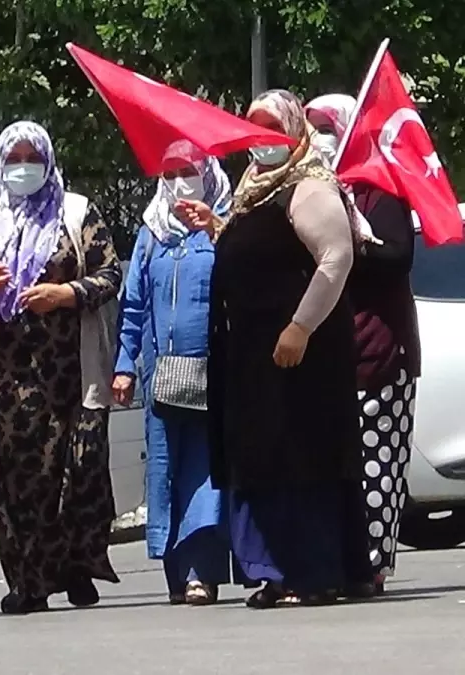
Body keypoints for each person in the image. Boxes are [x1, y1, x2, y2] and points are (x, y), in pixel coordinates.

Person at [175, 89, 369, 608]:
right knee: (262, 459)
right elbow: (257, 255)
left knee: (302, 458)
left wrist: (300, 327)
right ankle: (275, 572)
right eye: (255, 132)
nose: (264, 145)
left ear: (295, 133)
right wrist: (217, 228)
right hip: (253, 358)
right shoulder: (255, 189)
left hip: (301, 355)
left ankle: (315, 571)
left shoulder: (309, 187)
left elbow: (335, 259)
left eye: (273, 132)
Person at [0, 120, 122, 615]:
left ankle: (74, 568)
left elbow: (111, 272)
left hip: (65, 373)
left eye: (32, 158)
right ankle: (25, 580)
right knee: (11, 478)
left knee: (73, 471)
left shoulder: (76, 212)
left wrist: (65, 294)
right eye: (14, 159)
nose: (22, 168)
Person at [113, 142, 238, 605]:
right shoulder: (152, 233)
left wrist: (216, 227)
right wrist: (125, 365)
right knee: (165, 472)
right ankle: (176, 573)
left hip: (215, 371)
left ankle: (200, 574)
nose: (181, 180)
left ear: (207, 172)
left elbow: (245, 275)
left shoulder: (225, 221)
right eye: (171, 172)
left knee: (205, 472)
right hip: (162, 376)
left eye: (189, 169)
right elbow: (133, 304)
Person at [307, 94, 422, 596]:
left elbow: (397, 257)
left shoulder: (381, 192)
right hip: (334, 349)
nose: (319, 138)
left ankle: (371, 564)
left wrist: (350, 244)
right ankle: (340, 557)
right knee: (337, 463)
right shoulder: (323, 192)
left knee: (376, 462)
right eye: (310, 128)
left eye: (326, 127)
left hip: (381, 350)